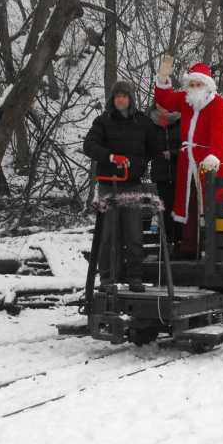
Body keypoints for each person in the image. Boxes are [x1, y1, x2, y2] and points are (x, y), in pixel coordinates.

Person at [83, 80, 157, 292]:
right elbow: (89, 146)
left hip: (132, 184)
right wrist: (110, 157)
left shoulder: (142, 122)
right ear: (112, 99)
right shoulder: (103, 121)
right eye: (117, 96)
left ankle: (135, 277)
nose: (120, 100)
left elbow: (154, 147)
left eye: (124, 96)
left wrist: (139, 165)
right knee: (108, 234)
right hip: (108, 185)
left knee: (134, 233)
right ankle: (107, 279)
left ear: (130, 98)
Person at [154, 56, 223, 258]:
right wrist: (163, 78)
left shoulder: (219, 105)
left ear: (207, 85)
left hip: (209, 161)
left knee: (209, 203)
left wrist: (214, 155)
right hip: (188, 162)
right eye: (192, 84)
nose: (195, 87)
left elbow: (219, 136)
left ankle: (211, 249)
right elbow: (165, 100)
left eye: (198, 84)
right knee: (188, 204)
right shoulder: (186, 100)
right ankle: (189, 248)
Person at [148, 103, 181, 243]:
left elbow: (187, 146)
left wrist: (173, 153)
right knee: (164, 212)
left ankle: (179, 244)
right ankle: (166, 245)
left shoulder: (180, 120)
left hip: (179, 173)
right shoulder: (150, 123)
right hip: (160, 175)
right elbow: (146, 147)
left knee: (178, 211)